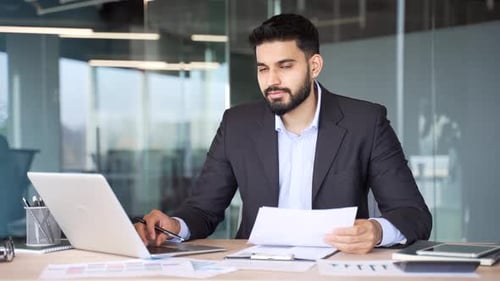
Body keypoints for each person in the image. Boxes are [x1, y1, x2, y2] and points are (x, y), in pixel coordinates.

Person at [135, 13, 432, 254]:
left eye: (285, 66)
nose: (272, 80)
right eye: (263, 68)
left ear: (314, 66)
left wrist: (377, 230)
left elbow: (413, 214)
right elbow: (203, 209)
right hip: (256, 267)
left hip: (335, 267)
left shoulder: (365, 122)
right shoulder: (236, 124)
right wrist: (174, 226)